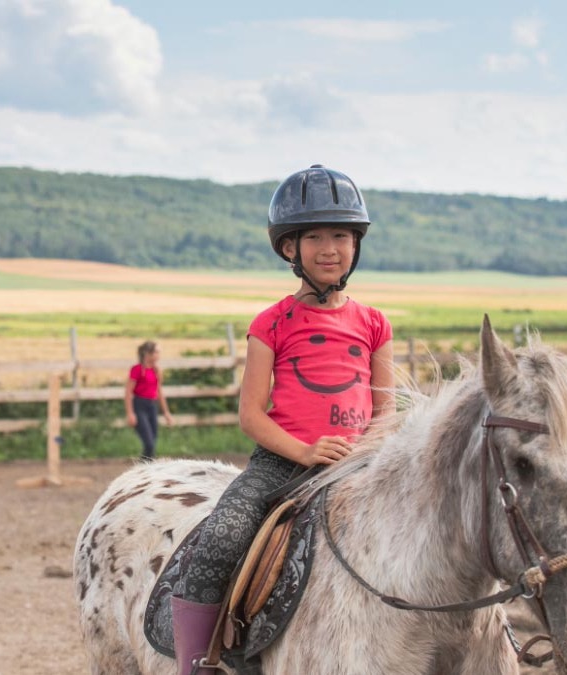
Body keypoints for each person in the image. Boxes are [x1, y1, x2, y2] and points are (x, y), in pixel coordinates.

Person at [170, 165, 396, 674]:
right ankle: (195, 664)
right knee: (222, 537)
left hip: (360, 466)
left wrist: (368, 451)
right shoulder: (270, 323)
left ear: (356, 244)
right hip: (281, 464)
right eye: (313, 236)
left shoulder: (374, 323)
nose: (329, 248)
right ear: (289, 249)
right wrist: (306, 452)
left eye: (341, 235)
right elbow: (250, 415)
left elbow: (386, 411)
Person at [125, 340, 173, 461]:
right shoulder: (136, 370)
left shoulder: (156, 370)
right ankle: (144, 467)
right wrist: (130, 413)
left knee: (153, 442)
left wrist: (166, 412)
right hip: (140, 405)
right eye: (156, 352)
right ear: (148, 353)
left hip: (152, 406)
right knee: (149, 443)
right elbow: (128, 392)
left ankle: (146, 466)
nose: (159, 355)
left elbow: (159, 392)